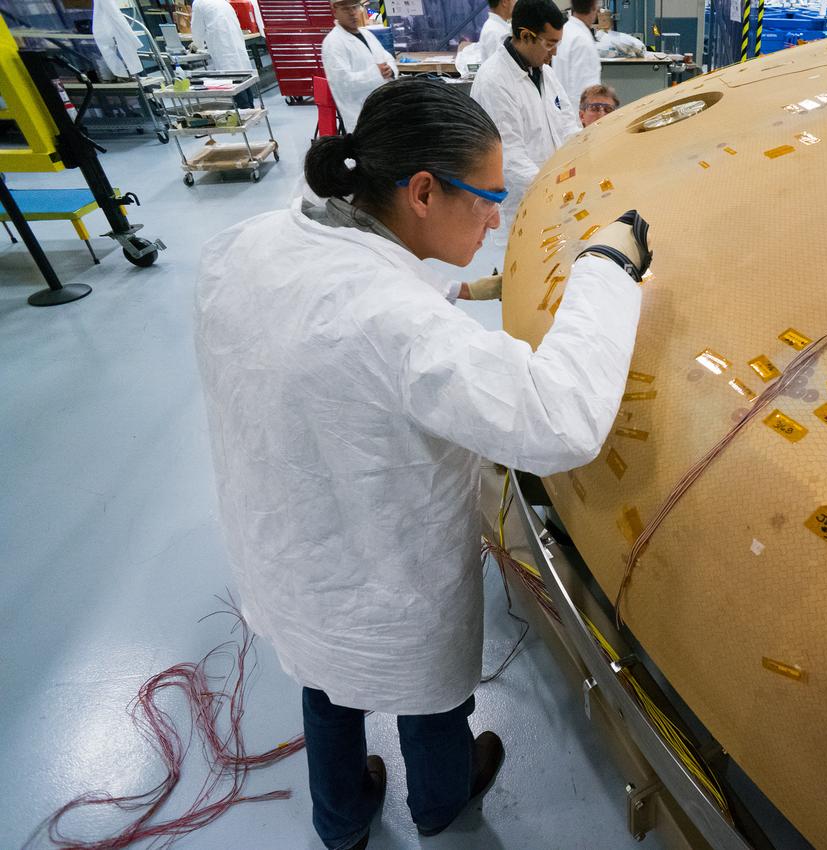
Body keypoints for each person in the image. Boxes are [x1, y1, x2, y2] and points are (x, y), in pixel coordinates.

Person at [194, 77, 653, 850]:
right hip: (385, 566)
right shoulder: (394, 323)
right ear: (421, 191)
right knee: (428, 691)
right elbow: (558, 416)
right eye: (485, 198)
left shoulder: (251, 244)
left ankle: (339, 820)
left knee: (325, 681)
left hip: (287, 545)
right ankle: (440, 801)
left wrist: (459, 293)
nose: (495, 218)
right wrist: (607, 264)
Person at [470, 0, 580, 245]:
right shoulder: (494, 81)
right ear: (525, 36)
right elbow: (509, 158)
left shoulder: (545, 73)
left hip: (554, 202)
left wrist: (583, 159)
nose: (555, 53)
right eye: (550, 44)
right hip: (519, 209)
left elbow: (567, 125)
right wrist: (557, 188)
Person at [321, 0, 398, 130]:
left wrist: (390, 69)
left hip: (383, 109)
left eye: (355, 7)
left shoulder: (367, 34)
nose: (352, 13)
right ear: (335, 11)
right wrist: (376, 73)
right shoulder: (333, 43)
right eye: (346, 9)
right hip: (360, 116)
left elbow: (386, 57)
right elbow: (344, 83)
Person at [189, 0, 255, 108]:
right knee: (243, 74)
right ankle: (250, 106)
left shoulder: (199, 3)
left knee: (232, 77)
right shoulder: (222, 1)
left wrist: (197, 44)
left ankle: (244, 108)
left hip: (222, 46)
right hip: (235, 41)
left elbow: (197, 28)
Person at [554, 0, 602, 105]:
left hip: (562, 108)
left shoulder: (565, 31)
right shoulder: (582, 40)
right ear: (594, 6)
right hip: (577, 115)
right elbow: (587, 92)